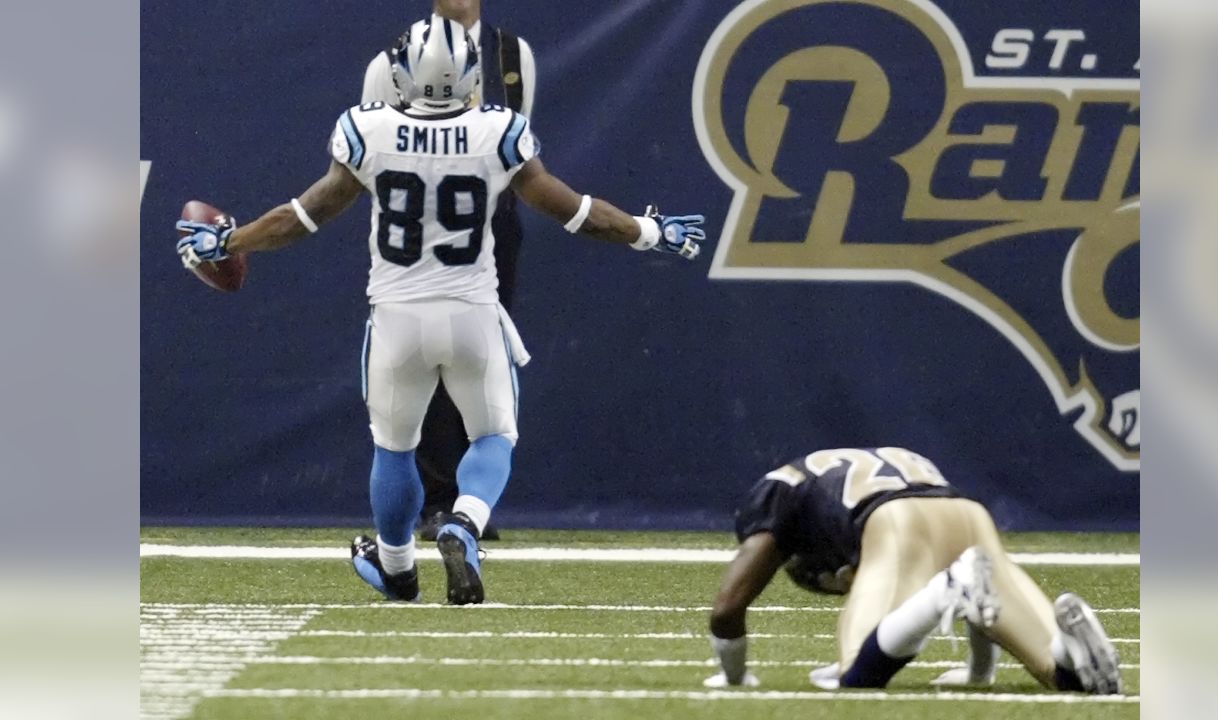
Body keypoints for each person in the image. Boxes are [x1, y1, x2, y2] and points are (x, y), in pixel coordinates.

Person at [175, 15, 705, 605]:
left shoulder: (366, 128)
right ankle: (464, 522)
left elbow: (301, 216)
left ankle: (398, 568)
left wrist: (228, 242)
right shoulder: (498, 131)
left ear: (401, 74)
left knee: (394, 447)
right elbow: (575, 211)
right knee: (494, 436)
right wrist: (648, 232)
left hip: (397, 317)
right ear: (472, 74)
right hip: (472, 309)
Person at [704, 446, 1123, 694]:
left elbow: (727, 607)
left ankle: (947, 589)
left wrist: (734, 676)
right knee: (1065, 678)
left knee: (858, 673)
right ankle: (1072, 645)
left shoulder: (779, 491)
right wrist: (980, 673)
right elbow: (985, 599)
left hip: (895, 520)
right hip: (967, 510)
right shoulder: (843, 479)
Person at [362, 0, 537, 542]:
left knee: (478, 362)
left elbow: (519, 157)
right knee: (439, 373)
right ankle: (445, 503)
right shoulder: (390, 59)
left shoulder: (512, 54)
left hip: (486, 226)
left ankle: (463, 505)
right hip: (417, 240)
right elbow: (370, 164)